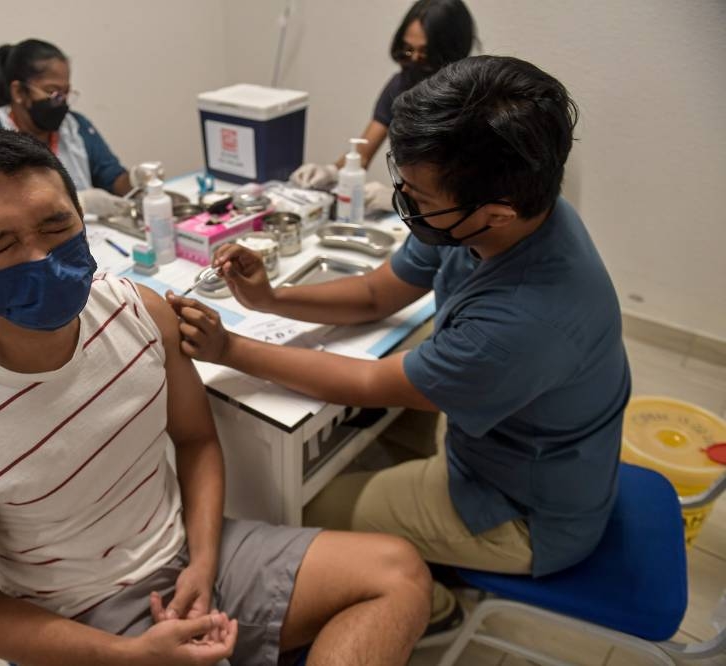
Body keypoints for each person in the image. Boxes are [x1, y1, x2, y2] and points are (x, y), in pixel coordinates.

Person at [0, 126, 431, 665]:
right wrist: (128, 655)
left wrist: (204, 562)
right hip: (77, 617)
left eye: (55, 226)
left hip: (190, 550)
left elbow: (195, 442)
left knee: (398, 573)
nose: (39, 256)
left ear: (82, 218)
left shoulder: (137, 312)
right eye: (0, 243)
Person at [169, 55, 630, 588]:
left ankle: (429, 604)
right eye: (404, 184)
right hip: (503, 450)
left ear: (495, 212)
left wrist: (229, 350)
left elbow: (370, 383)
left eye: (421, 198)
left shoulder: (525, 320)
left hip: (524, 511)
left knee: (293, 511)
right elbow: (374, 294)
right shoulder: (509, 216)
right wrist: (271, 299)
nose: (405, 202)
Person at [290, 0, 476, 214]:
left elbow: (468, 195)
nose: (414, 60)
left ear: (452, 51)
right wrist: (332, 171)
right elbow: (363, 152)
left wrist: (398, 199)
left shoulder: (474, 100)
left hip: (452, 221)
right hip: (415, 219)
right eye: (408, 51)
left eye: (425, 54)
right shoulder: (401, 84)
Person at [0, 38, 151, 219]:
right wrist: (81, 203)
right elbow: (4, 215)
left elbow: (112, 179)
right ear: (19, 92)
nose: (62, 102)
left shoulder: (76, 127)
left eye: (65, 93)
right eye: (53, 92)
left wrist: (135, 179)